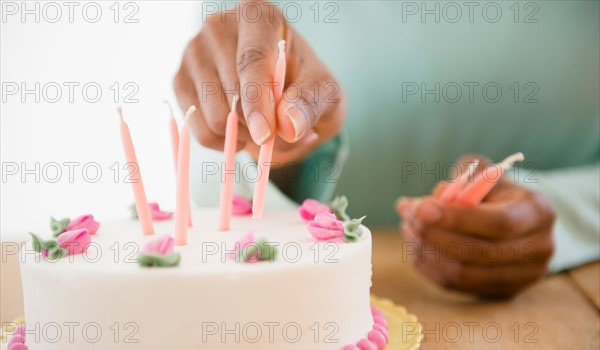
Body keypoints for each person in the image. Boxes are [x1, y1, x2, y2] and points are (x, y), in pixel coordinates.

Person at [174, 1, 599, 297]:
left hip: (570, 296)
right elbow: (213, 189)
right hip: (299, 308)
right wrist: (282, 156)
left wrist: (564, 216)